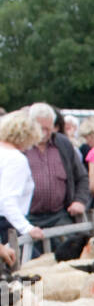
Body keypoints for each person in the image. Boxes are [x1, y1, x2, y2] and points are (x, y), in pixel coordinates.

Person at [24, 100, 90, 256]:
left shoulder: (63, 144)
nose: (44, 133)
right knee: (28, 266)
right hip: (28, 218)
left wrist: (79, 201)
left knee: (68, 258)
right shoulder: (22, 146)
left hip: (59, 215)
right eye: (40, 128)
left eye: (48, 128)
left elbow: (81, 177)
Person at [0, 109, 43, 263]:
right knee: (31, 273)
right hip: (8, 225)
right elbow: (7, 200)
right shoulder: (15, 159)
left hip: (7, 221)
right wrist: (27, 228)